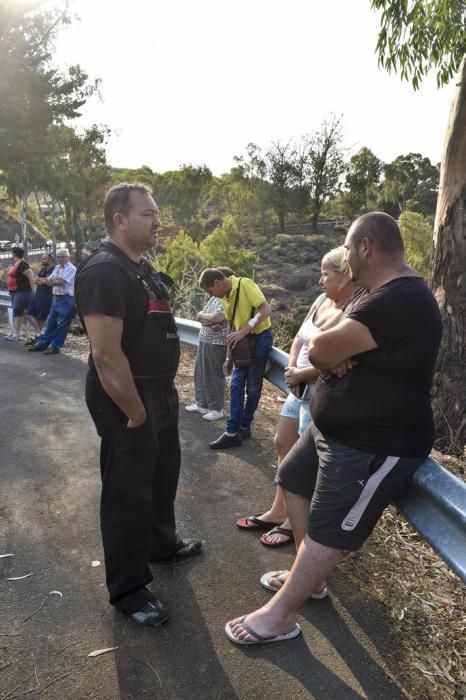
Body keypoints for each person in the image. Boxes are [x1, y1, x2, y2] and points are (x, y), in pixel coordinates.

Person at [225, 211, 442, 645]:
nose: (344, 256)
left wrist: (332, 353)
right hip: (334, 431)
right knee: (291, 478)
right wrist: (333, 352)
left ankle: (279, 616)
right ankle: (310, 580)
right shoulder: (372, 294)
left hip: (376, 442)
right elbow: (323, 341)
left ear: (366, 247)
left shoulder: (400, 297)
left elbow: (322, 346)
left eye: (347, 246)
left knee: (329, 527)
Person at [75, 183, 202, 628]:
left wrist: (165, 396)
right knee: (127, 493)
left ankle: (162, 544)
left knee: (162, 474)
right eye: (148, 214)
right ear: (120, 220)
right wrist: (134, 411)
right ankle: (128, 590)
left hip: (158, 392)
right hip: (127, 397)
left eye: (157, 212)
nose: (157, 220)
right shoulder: (104, 271)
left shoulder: (140, 269)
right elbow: (106, 354)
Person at [237, 246, 359, 547]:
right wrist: (291, 368)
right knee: (283, 444)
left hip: (319, 392)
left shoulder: (354, 309)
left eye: (326, 273)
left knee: (305, 463)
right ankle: (278, 512)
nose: (320, 279)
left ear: (343, 275)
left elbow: (344, 360)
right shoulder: (321, 300)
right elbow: (297, 339)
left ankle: (294, 522)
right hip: (297, 387)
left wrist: (304, 374)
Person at [198, 268, 272, 449]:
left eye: (210, 291)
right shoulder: (225, 297)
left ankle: (245, 426)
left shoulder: (245, 284)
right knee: (236, 385)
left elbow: (265, 310)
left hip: (259, 338)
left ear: (217, 283)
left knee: (253, 388)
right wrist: (228, 358)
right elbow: (231, 327)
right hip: (241, 343)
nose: (211, 295)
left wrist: (244, 331)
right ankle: (232, 432)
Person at [185, 267, 234, 421]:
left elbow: (217, 318)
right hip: (205, 338)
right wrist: (206, 317)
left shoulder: (229, 298)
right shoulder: (214, 298)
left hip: (217, 342)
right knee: (200, 372)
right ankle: (202, 403)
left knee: (214, 374)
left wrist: (208, 318)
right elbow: (202, 317)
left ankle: (216, 408)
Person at [27, 248, 76, 355]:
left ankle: (55, 346)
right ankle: (43, 344)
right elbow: (49, 279)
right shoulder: (57, 267)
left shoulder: (71, 268)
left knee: (62, 325)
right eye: (58, 256)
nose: (60, 259)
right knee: (51, 323)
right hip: (56, 297)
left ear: (68, 257)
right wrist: (49, 281)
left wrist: (48, 281)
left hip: (66, 299)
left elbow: (60, 281)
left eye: (63, 256)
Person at [4, 246, 35, 341]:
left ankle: (17, 334)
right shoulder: (16, 264)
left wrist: (34, 293)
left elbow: (31, 277)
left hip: (22, 291)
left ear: (14, 253)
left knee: (18, 311)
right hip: (14, 292)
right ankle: (14, 332)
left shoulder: (23, 264)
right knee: (16, 312)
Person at [23, 253, 55, 344]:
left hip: (47, 296)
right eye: (42, 258)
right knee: (29, 314)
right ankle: (39, 333)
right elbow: (34, 280)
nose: (42, 260)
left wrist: (42, 280)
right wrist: (43, 280)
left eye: (44, 258)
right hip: (37, 295)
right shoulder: (43, 269)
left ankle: (38, 337)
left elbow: (48, 281)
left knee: (41, 318)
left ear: (51, 260)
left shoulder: (54, 269)